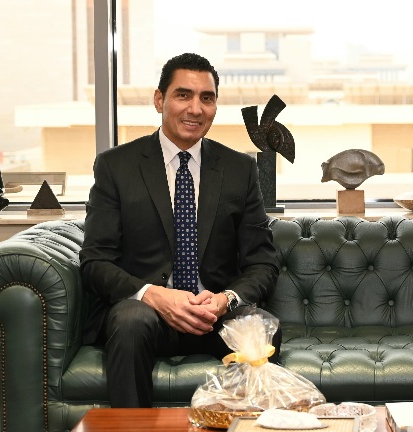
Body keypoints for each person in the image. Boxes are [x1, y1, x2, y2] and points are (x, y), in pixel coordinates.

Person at [79, 53, 281, 408]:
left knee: (259, 326)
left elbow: (262, 262)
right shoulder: (116, 166)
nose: (196, 109)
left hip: (214, 315)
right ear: (160, 100)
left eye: (207, 98)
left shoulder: (239, 168)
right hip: (147, 314)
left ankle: (247, 427)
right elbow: (96, 262)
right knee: (129, 320)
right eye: (183, 95)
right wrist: (154, 295)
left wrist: (225, 299)